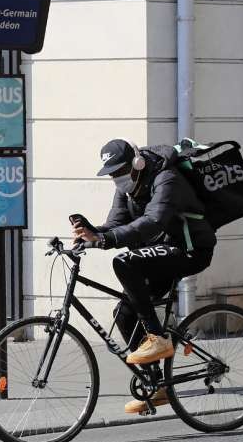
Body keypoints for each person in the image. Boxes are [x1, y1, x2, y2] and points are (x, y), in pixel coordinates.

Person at [72, 139, 216, 414]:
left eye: (120, 171)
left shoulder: (166, 177)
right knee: (124, 315)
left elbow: (153, 222)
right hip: (157, 253)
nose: (117, 178)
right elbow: (116, 224)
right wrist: (90, 232)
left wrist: (106, 239)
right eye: (112, 174)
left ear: (137, 163)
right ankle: (157, 386)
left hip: (189, 249)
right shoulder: (124, 189)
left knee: (124, 262)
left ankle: (157, 338)